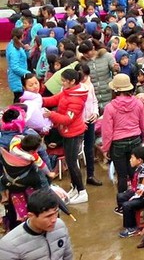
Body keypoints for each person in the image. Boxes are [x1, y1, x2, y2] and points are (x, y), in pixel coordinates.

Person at [42, 67, 89, 204]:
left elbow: (68, 119)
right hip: (66, 132)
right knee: (70, 161)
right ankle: (75, 187)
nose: (62, 83)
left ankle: (82, 191)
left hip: (73, 133)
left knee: (72, 163)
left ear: (72, 81)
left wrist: (51, 115)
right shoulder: (67, 92)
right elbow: (55, 99)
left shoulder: (77, 99)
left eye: (64, 81)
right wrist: (40, 100)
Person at [102, 74, 144, 194]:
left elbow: (107, 130)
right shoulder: (138, 103)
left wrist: (105, 148)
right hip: (136, 140)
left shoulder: (110, 107)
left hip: (118, 144)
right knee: (135, 173)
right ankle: (137, 197)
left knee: (122, 176)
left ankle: (122, 203)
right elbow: (143, 124)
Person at [0, 189, 73, 260]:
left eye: (56, 213)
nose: (54, 220)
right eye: (48, 216)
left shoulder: (60, 226)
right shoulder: (9, 245)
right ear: (31, 216)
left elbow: (68, 256)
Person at [7, 28, 29, 103]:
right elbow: (15, 67)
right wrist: (27, 73)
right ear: (22, 36)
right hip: (17, 78)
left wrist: (25, 50)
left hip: (18, 77)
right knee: (18, 99)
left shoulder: (14, 44)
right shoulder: (14, 49)